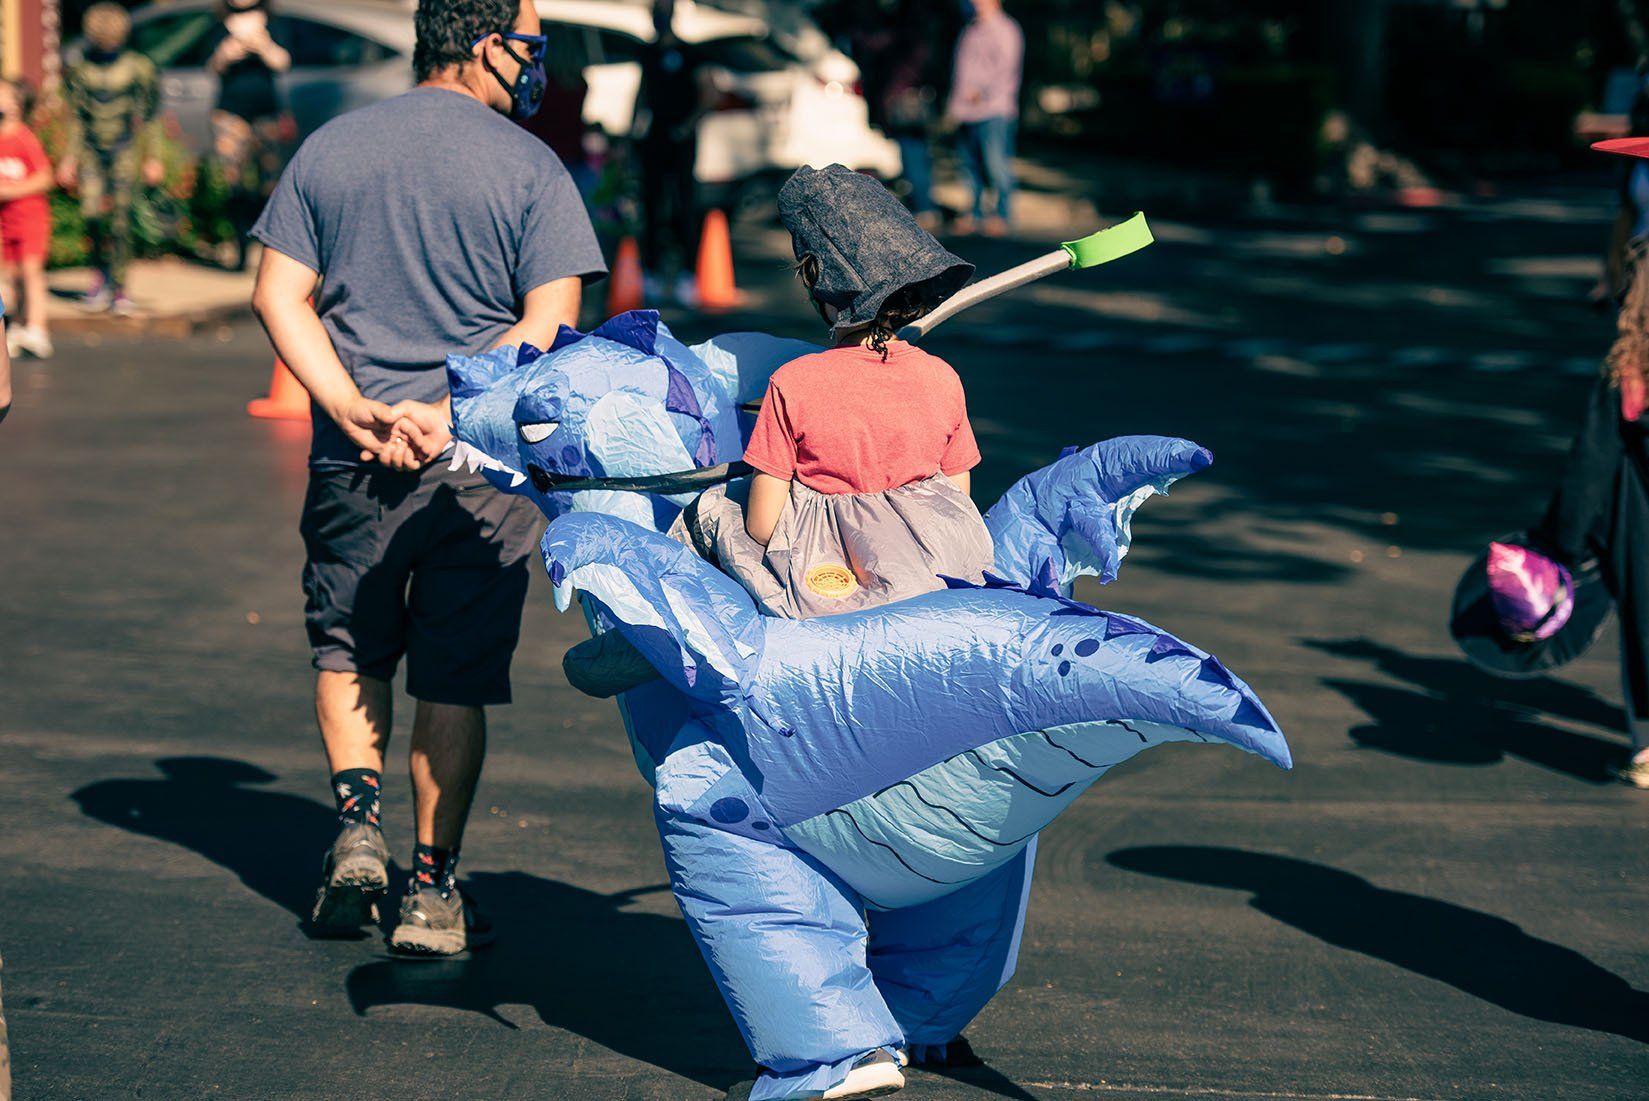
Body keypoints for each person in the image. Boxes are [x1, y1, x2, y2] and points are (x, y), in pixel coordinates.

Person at [249, 0, 606, 955]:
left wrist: (348, 403)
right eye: (527, 42)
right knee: (454, 673)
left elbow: (276, 293)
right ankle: (432, 890)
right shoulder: (531, 167)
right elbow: (549, 326)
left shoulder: (332, 147)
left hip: (350, 455)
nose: (534, 62)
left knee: (347, 648)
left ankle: (356, 828)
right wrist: (451, 416)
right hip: (478, 470)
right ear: (486, 42)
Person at [737, 163, 993, 619]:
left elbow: (762, 525)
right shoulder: (943, 377)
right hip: (939, 570)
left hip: (834, 583)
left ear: (819, 284)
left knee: (716, 513)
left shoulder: (793, 383)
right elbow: (957, 496)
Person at [58, 2, 162, 315]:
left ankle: (119, 287)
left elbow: (151, 115)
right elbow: (76, 117)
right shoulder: (81, 69)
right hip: (91, 149)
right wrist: (69, 158)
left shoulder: (138, 67)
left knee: (120, 219)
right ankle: (99, 276)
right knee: (91, 213)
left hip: (124, 148)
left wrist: (152, 157)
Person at [205, 0, 292, 271]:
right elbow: (210, 66)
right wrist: (228, 52)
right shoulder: (218, 24)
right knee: (234, 182)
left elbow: (283, 62)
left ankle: (267, 247)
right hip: (230, 113)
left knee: (269, 184)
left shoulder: (272, 22)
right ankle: (240, 248)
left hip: (266, 113)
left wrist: (263, 46)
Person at [636, 0, 711, 303]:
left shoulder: (691, 53)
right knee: (652, 204)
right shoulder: (648, 53)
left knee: (683, 205)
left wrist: (687, 125)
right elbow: (642, 93)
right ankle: (650, 273)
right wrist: (634, 130)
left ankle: (687, 275)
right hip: (654, 138)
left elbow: (709, 91)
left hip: (681, 140)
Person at [946, 0, 1022, 237]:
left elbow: (1006, 69)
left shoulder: (1006, 29)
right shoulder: (970, 29)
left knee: (996, 164)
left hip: (994, 110)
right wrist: (954, 105)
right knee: (970, 166)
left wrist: (981, 91)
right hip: (966, 112)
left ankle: (1002, 214)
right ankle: (974, 213)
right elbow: (959, 72)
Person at [0, 80, 53, 359]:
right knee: (12, 275)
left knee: (31, 272)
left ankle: (38, 328)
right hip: (4, 220)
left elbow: (45, 177)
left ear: (17, 105)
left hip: (29, 216)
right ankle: (18, 326)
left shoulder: (23, 137)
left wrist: (11, 191)